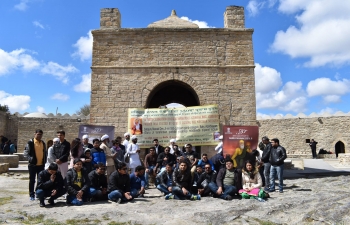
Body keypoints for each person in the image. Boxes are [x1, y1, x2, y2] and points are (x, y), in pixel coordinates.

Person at [24, 129, 47, 201]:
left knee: (40, 180)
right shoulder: (30, 142)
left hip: (41, 165)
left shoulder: (43, 143)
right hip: (33, 165)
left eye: (40, 135)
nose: (39, 136)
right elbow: (25, 153)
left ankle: (38, 193)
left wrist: (45, 160)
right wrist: (30, 159)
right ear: (35, 134)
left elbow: (44, 153)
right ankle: (31, 194)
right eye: (38, 134)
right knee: (32, 180)